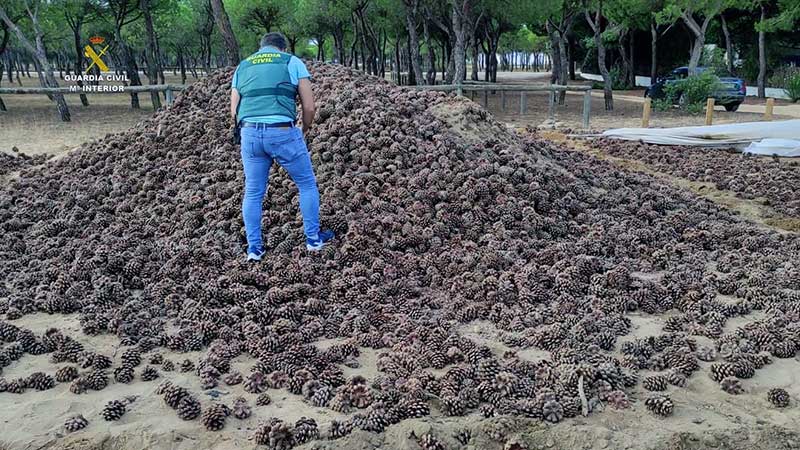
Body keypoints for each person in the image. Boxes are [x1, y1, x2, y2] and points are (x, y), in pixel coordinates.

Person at [230, 32, 334, 261]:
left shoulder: (243, 66)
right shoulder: (291, 62)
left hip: (249, 134)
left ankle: (254, 249)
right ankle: (313, 240)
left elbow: (234, 110)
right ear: (283, 48)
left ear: (261, 48)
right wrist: (304, 129)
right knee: (306, 184)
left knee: (254, 191)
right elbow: (309, 107)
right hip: (282, 131)